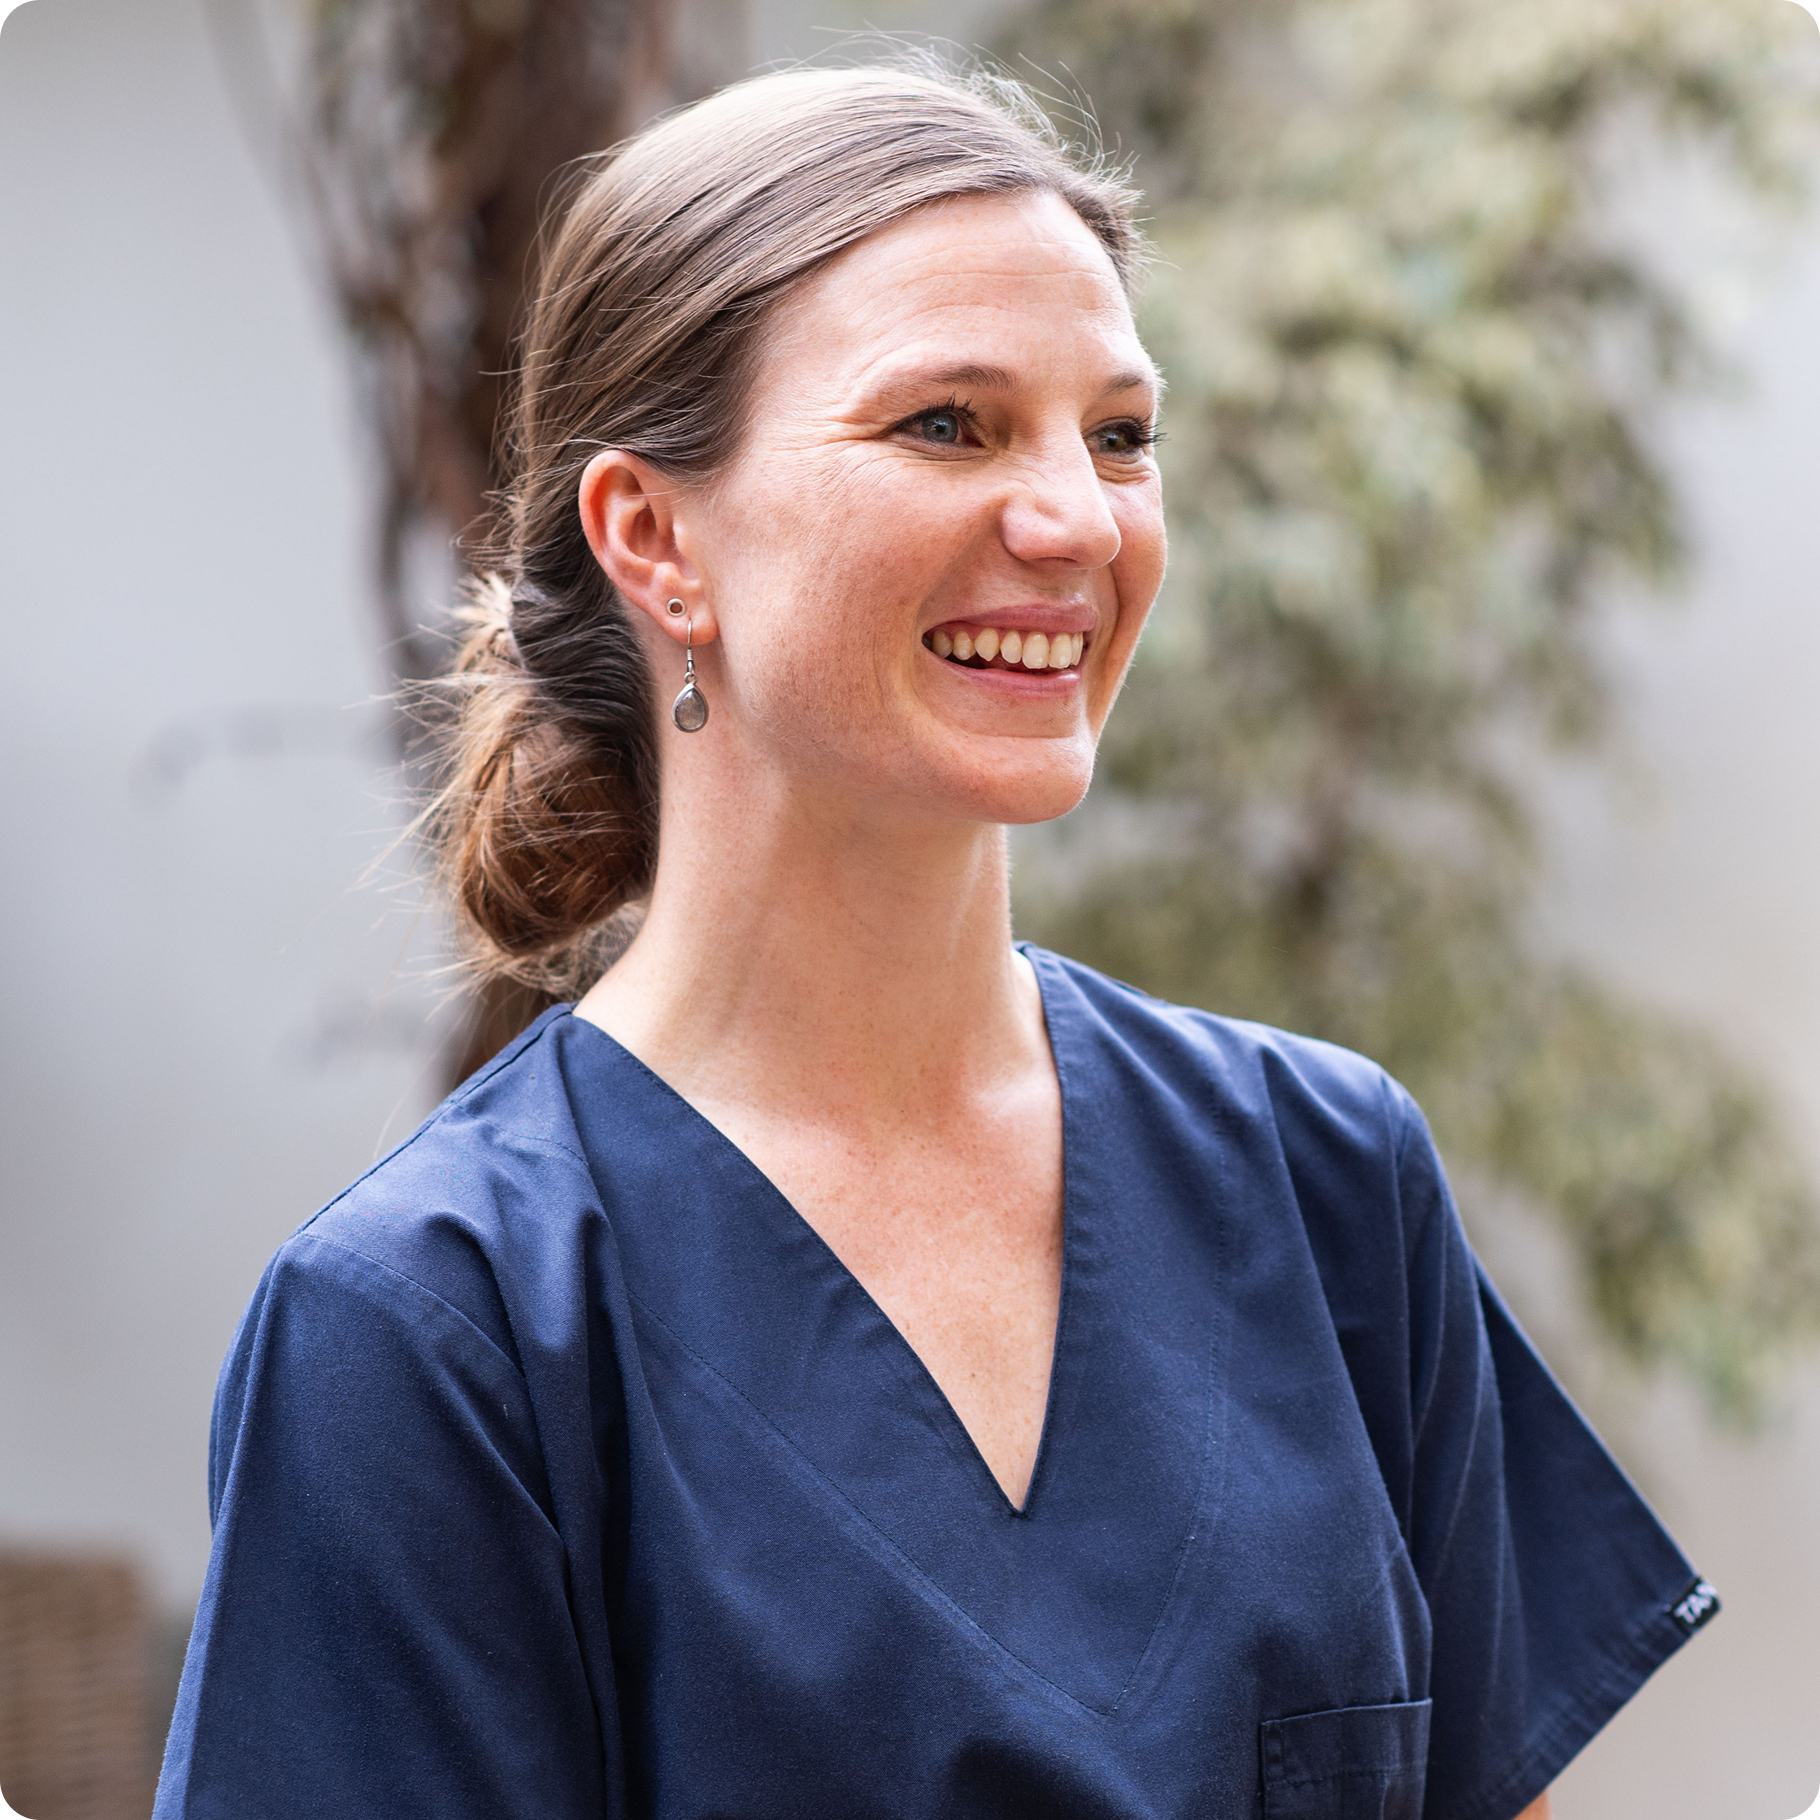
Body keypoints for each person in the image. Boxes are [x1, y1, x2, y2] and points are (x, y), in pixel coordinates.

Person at [154, 63, 1716, 1820]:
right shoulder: (435, 1330)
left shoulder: (1327, 1176)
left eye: (1119, 435)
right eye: (947, 425)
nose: (1076, 522)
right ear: (656, 538)